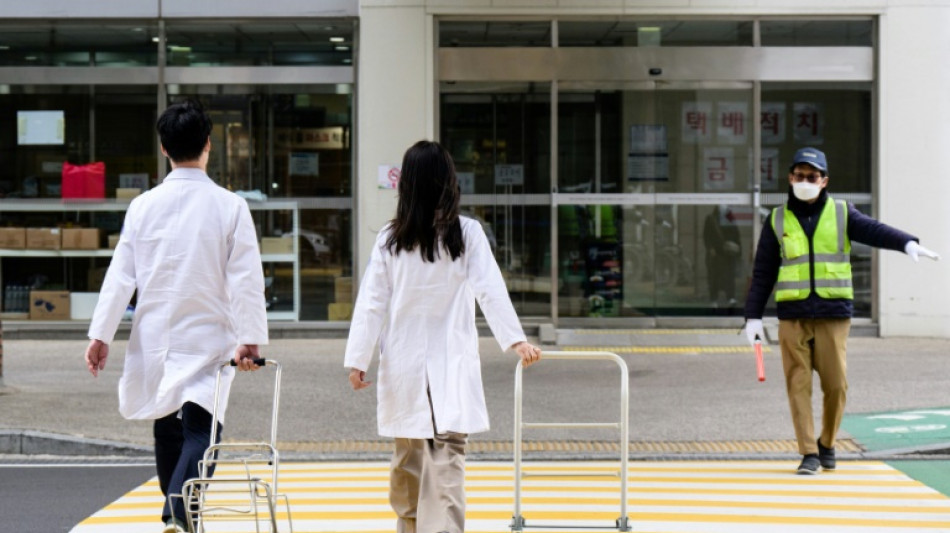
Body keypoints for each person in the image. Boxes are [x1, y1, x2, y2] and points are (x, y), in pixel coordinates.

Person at [84, 99, 269, 533]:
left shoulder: (143, 206)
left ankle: (179, 514)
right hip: (209, 336)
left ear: (164, 148)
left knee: (167, 425)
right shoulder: (230, 206)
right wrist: (250, 338)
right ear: (208, 144)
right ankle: (180, 512)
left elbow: (120, 275)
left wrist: (101, 335)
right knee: (202, 430)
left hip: (156, 336)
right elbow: (246, 279)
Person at [344, 140, 542, 533]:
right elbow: (490, 289)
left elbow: (371, 303)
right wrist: (515, 340)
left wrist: (358, 359)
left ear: (406, 185)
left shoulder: (392, 237)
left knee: (409, 462)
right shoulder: (465, 233)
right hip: (448, 362)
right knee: (444, 462)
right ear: (449, 181)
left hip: (405, 365)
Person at [742, 147, 939, 475]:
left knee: (836, 385)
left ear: (824, 181)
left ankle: (827, 441)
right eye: (800, 175)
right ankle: (809, 453)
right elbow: (763, 271)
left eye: (812, 176)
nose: (805, 181)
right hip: (793, 317)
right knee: (797, 385)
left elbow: (874, 231)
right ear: (790, 178)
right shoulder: (776, 219)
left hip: (833, 315)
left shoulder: (841, 212)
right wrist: (752, 316)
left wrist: (907, 243)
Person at [703, 205, 742, 308]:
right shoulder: (711, 219)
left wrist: (737, 249)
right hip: (716, 252)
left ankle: (730, 297)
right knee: (714, 277)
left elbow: (736, 234)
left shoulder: (729, 218)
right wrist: (710, 248)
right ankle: (714, 299)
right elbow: (706, 236)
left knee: (729, 276)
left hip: (728, 252)